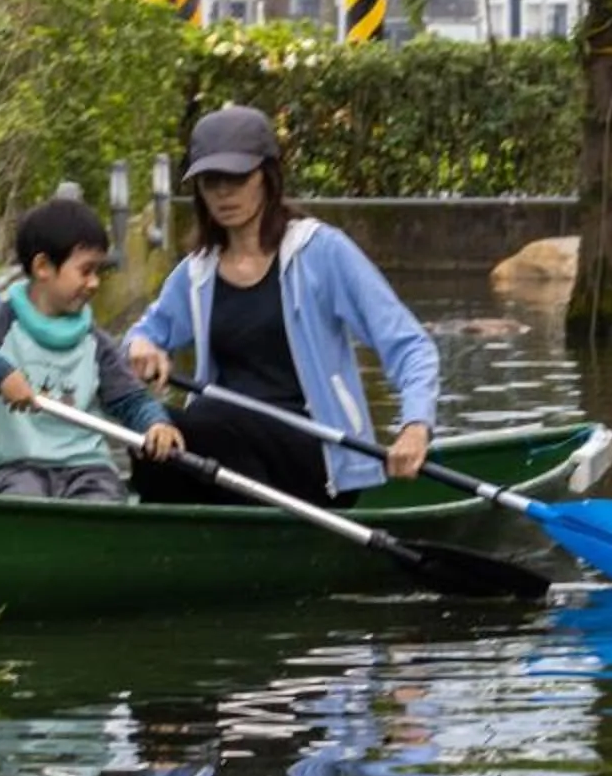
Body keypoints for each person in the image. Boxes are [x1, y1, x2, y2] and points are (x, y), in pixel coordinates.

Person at [123, 104, 439, 507]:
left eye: (237, 178)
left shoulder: (323, 253)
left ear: (268, 177)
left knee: (209, 422)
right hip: (227, 449)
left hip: (315, 454)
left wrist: (415, 426)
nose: (223, 192)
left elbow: (411, 346)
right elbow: (144, 335)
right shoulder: (196, 273)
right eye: (210, 180)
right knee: (147, 435)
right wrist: (141, 346)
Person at [0, 198, 184, 499]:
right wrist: (3, 374)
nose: (94, 283)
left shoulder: (96, 343)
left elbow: (132, 402)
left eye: (98, 271)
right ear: (43, 267)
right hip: (18, 467)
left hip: (89, 469)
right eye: (86, 271)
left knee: (102, 500)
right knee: (23, 499)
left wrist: (156, 423)